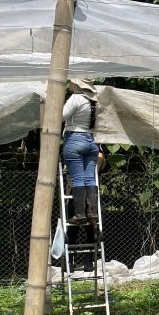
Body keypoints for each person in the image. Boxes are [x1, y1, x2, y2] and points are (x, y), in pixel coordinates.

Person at [62, 78, 101, 230]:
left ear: (77, 84)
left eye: (71, 82)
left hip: (74, 139)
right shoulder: (95, 100)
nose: (70, 84)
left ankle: (80, 215)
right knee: (90, 178)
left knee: (78, 179)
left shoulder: (76, 98)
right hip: (91, 141)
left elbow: (62, 116)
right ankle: (92, 213)